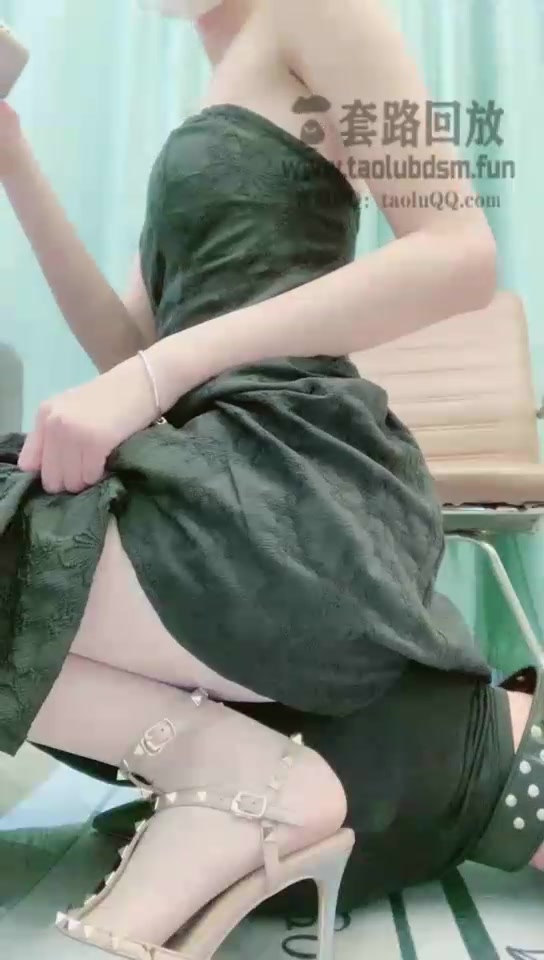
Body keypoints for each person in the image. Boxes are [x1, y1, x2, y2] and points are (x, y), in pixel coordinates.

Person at [0, 0, 542, 957]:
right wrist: (12, 155)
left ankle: (246, 777)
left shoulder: (322, 8)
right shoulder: (216, 83)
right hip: (212, 461)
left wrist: (150, 377)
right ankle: (235, 773)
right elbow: (132, 346)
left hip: (292, 472)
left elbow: (460, 250)